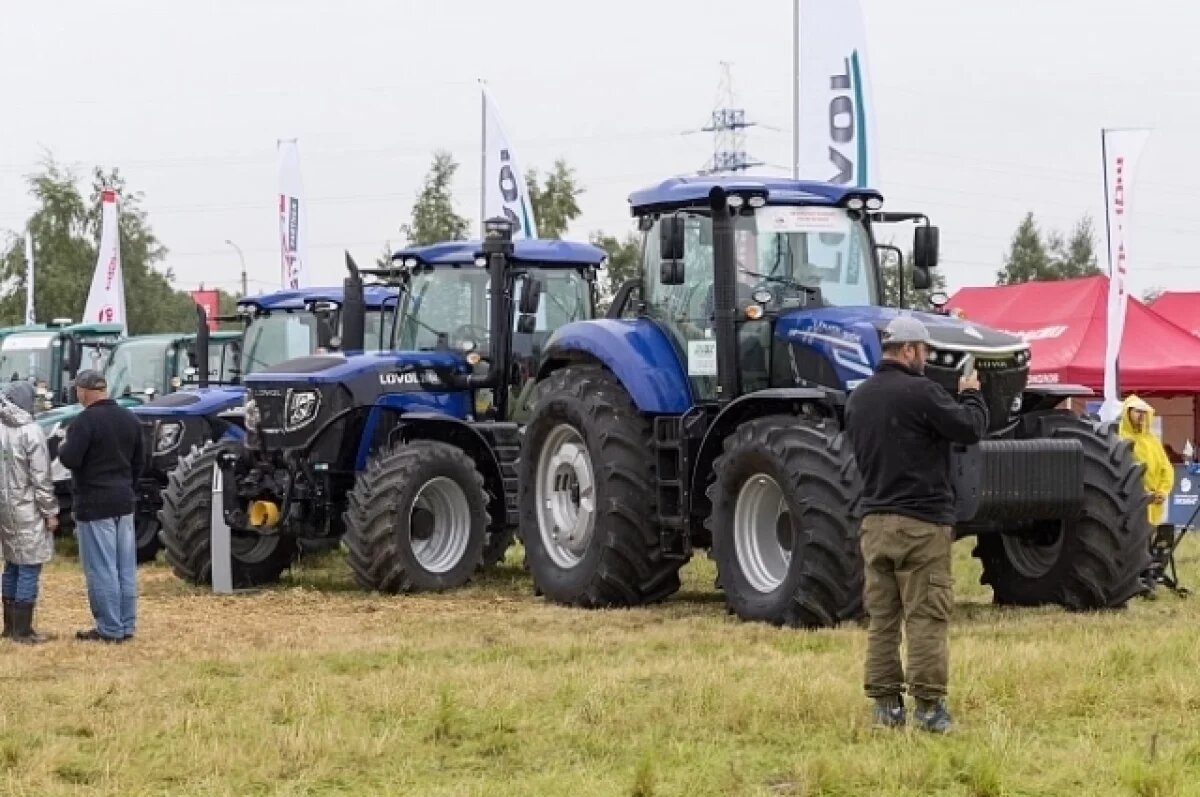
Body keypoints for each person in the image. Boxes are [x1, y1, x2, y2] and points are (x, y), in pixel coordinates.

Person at [844, 316, 990, 734]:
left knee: (882, 618)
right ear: (908, 350)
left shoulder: (859, 399)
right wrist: (971, 395)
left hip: (874, 523)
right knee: (926, 615)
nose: (926, 359)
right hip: (921, 523)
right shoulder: (922, 392)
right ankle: (928, 709)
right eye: (924, 351)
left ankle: (885, 708)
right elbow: (969, 430)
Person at [56, 369, 144, 643]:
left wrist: (61, 445)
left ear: (84, 391)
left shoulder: (84, 421)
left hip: (95, 504)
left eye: (77, 391)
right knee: (125, 567)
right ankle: (127, 624)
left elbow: (70, 459)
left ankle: (109, 628)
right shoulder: (130, 419)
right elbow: (141, 461)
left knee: (102, 567)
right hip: (123, 500)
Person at [0, 381, 60, 644]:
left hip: (5, 508)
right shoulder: (31, 431)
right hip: (28, 508)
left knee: (12, 563)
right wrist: (50, 512)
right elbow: (41, 477)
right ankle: (23, 630)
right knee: (29, 566)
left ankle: (9, 626)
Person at [1117, 395, 1174, 593]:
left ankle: (1152, 577)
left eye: (1143, 412)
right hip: (1133, 502)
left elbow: (1166, 468)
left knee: (1156, 540)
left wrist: (1162, 490)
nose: (1141, 416)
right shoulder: (1120, 440)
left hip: (1155, 502)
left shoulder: (1152, 440)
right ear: (1127, 413)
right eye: (1136, 411)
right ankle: (1137, 580)